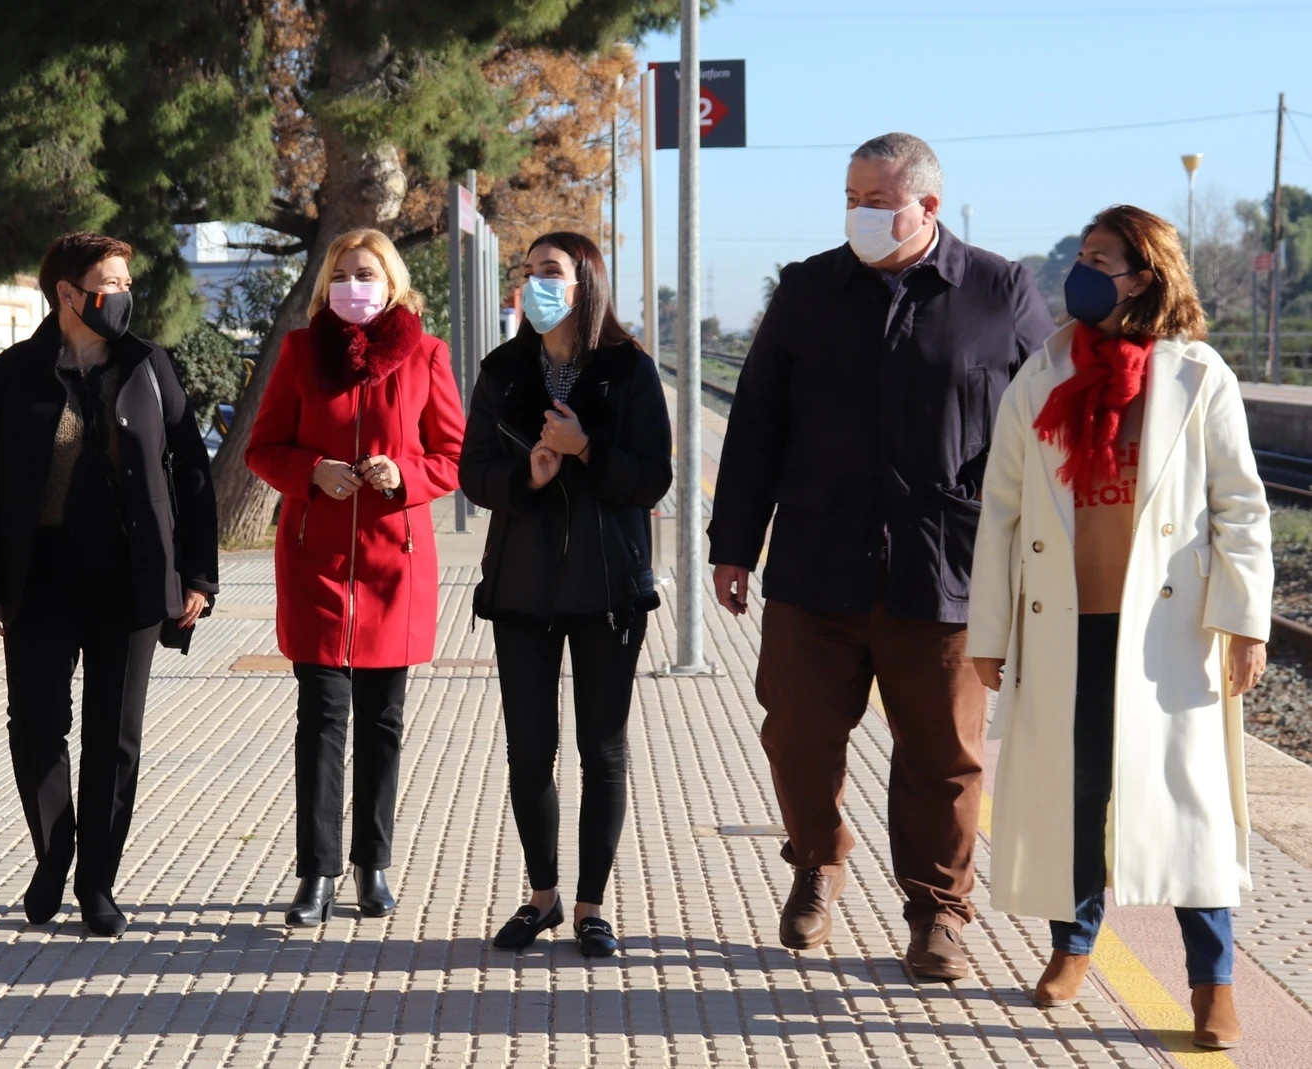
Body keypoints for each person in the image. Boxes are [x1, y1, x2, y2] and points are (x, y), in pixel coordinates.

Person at [707, 133, 1056, 980]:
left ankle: (938, 912)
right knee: (796, 735)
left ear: (928, 206)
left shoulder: (1000, 289)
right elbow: (755, 424)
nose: (860, 213)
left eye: (877, 199)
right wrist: (733, 546)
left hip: (947, 571)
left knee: (943, 758)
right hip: (817, 565)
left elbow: (1045, 423)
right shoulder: (808, 290)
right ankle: (818, 861)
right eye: (851, 196)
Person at [968, 206, 1270, 1049]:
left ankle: (1213, 983)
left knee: (1188, 802)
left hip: (1168, 633)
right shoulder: (1045, 369)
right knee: (1076, 794)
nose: (1083, 269)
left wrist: (1245, 622)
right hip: (1063, 625)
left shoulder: (1197, 373)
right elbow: (1002, 509)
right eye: (1083, 254)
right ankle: (1074, 945)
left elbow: (1240, 507)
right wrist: (990, 632)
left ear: (1145, 275)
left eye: (1102, 258)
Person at [0, 232, 218, 937]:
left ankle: (97, 880)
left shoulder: (149, 365)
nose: (124, 295)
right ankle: (54, 849)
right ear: (68, 294)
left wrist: (197, 574)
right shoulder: (15, 372)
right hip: (39, 576)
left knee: (115, 733)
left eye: (126, 281)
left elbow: (192, 473)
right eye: (110, 282)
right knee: (37, 724)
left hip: (131, 579)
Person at [459, 231, 671, 958]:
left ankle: (590, 906)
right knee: (529, 750)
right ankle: (541, 896)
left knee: (600, 749)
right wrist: (528, 480)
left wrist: (588, 452)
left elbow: (653, 479)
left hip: (608, 586)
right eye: (528, 272)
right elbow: (473, 472)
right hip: (521, 586)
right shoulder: (502, 370)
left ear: (585, 282)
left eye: (549, 271)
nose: (534, 284)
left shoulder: (628, 371)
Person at [245, 228, 464, 927]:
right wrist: (311, 472)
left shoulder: (427, 354)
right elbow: (263, 446)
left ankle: (374, 865)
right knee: (322, 719)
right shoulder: (302, 352)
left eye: (366, 273)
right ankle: (316, 872)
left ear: (392, 282)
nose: (354, 286)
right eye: (341, 275)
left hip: (393, 561)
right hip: (316, 562)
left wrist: (406, 476)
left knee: (383, 722)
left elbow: (454, 455)